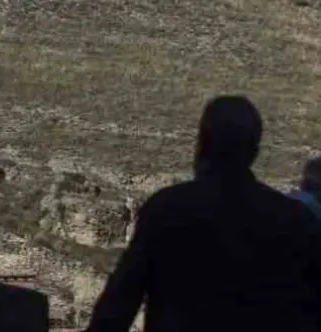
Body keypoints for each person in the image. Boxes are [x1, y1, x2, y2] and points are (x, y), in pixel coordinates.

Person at [87, 95, 321, 331]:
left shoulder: (166, 210)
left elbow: (118, 305)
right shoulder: (295, 221)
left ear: (202, 144)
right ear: (255, 151)